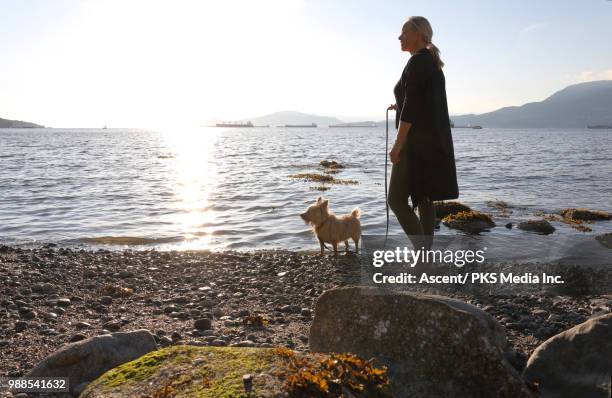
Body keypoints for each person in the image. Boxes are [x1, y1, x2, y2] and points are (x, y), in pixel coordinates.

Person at [387, 16, 459, 251]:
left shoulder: (417, 62)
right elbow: (421, 102)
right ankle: (427, 256)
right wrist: (399, 105)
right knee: (424, 197)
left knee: (396, 200)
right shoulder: (431, 62)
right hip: (430, 143)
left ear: (418, 35)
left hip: (413, 143)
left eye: (404, 32)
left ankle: (423, 255)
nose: (400, 37)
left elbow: (414, 107)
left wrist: (398, 144)